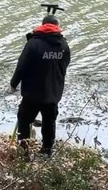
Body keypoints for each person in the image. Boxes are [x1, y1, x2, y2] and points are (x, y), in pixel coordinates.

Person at [9, 14, 71, 158]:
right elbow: (65, 65)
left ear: (42, 26)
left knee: (24, 120)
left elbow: (21, 66)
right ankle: (47, 150)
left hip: (32, 92)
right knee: (49, 122)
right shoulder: (63, 44)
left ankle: (24, 151)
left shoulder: (33, 43)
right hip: (53, 93)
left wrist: (13, 84)